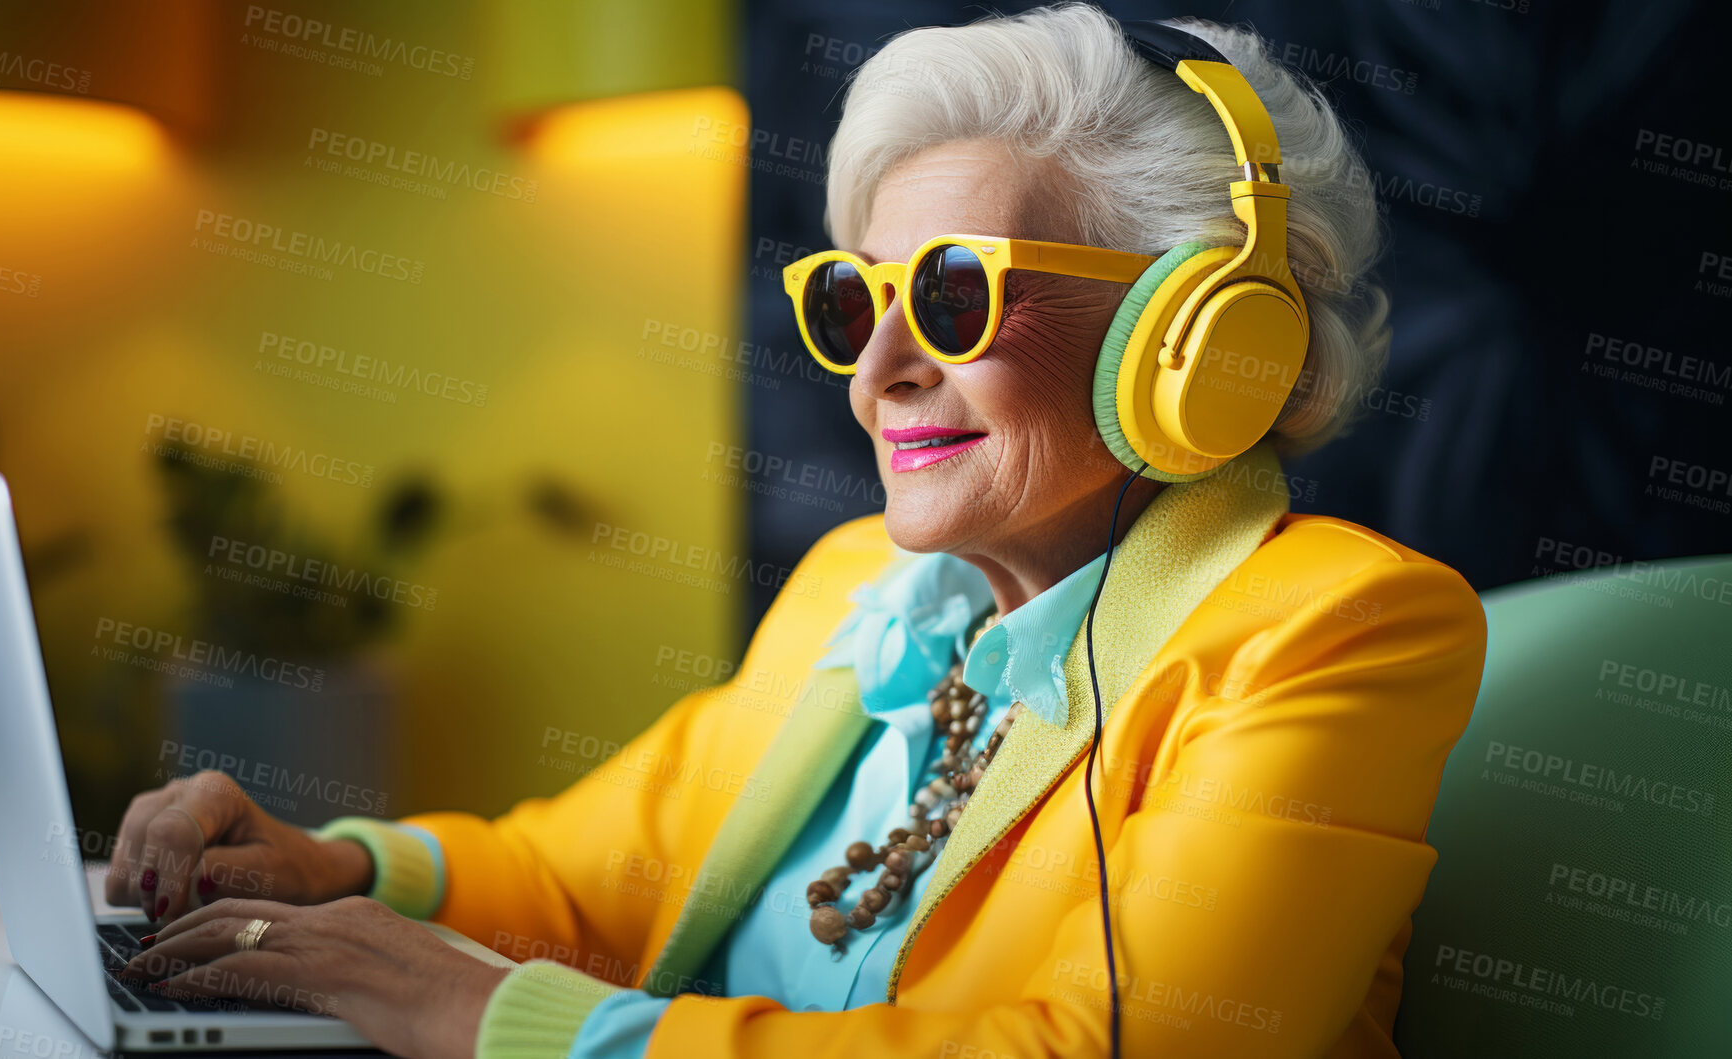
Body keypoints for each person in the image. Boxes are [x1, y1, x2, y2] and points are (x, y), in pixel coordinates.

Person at [112, 7, 1486, 1056]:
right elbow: (584, 877)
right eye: (853, 299)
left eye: (952, 295)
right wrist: (338, 868)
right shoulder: (865, 586)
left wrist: (519, 1027)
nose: (876, 364)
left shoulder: (1326, 633)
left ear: (1195, 341)